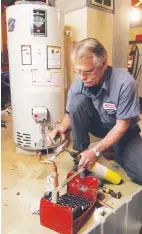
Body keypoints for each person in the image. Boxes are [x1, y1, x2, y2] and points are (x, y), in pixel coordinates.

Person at [47, 38, 142, 185]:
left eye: (88, 71)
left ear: (103, 64)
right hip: (100, 128)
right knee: (77, 101)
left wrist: (96, 150)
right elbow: (69, 114)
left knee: (140, 170)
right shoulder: (80, 82)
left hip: (124, 133)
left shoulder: (125, 83)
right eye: (78, 71)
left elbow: (122, 126)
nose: (82, 77)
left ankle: (109, 148)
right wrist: (62, 129)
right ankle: (81, 156)